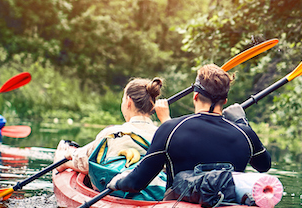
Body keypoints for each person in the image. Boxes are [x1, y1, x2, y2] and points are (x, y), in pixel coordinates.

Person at [108, 64, 271, 195]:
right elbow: (264, 165)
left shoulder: (171, 129)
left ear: (195, 96)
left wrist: (116, 182)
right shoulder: (245, 133)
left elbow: (136, 183)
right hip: (228, 207)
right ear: (225, 100)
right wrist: (242, 122)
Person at [55, 77, 171, 174]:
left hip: (118, 189)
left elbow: (86, 161)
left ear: (128, 102)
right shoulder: (165, 136)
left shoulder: (113, 133)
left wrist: (69, 154)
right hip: (154, 192)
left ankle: (64, 163)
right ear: (152, 106)